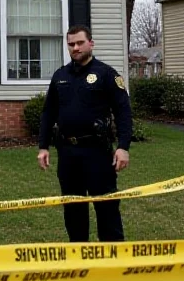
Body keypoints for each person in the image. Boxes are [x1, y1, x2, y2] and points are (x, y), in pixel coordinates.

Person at [37, 25, 132, 243]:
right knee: (73, 209)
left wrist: (123, 146)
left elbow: (123, 112)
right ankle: (79, 256)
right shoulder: (60, 76)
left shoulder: (106, 74)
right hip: (68, 153)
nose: (75, 47)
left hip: (97, 152)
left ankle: (113, 259)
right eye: (71, 44)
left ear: (91, 43)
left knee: (107, 207)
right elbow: (48, 112)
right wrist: (43, 146)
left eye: (80, 43)